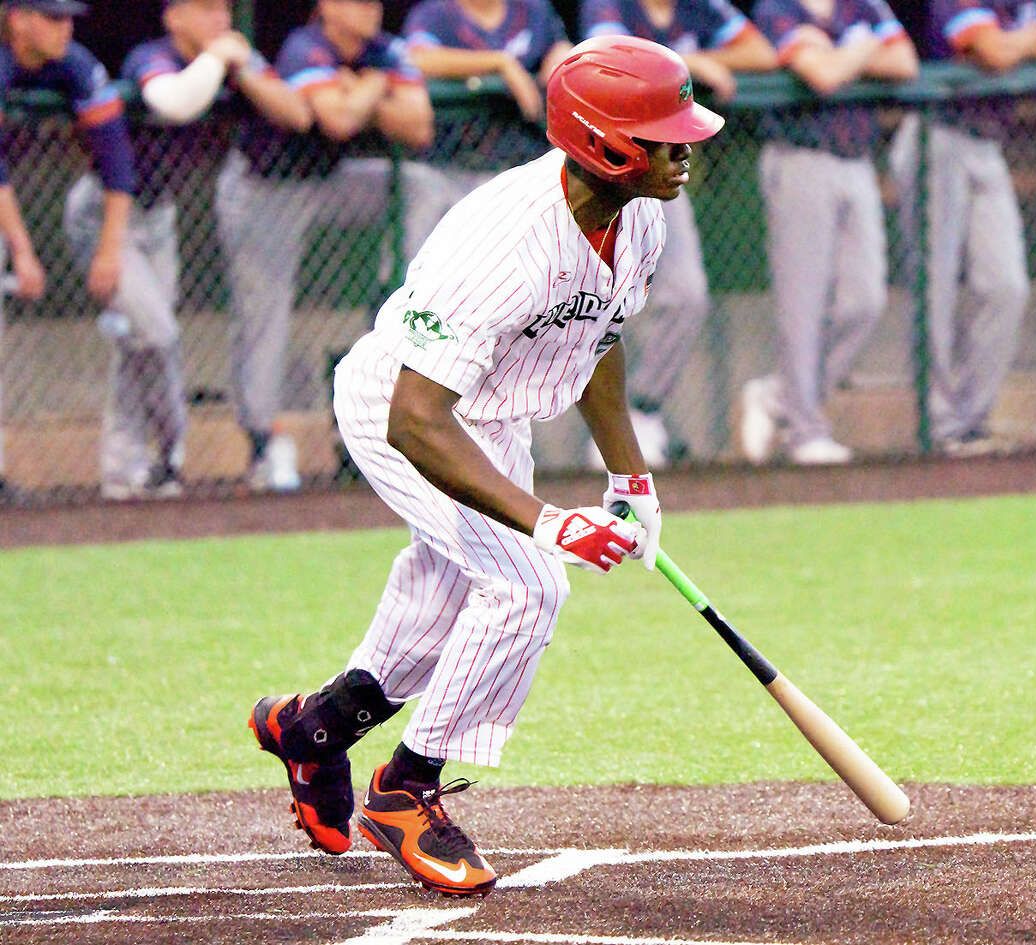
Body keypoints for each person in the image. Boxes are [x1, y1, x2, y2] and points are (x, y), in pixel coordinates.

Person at [249, 35, 722, 897]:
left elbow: (596, 338)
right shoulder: (503, 243)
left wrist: (630, 479)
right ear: (606, 144)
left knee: (443, 599)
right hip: (403, 410)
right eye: (664, 138)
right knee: (527, 585)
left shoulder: (641, 216)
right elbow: (416, 419)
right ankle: (405, 788)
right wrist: (549, 523)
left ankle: (314, 729)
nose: (684, 153)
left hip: (488, 416)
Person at [63, 0, 310, 500]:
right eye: (205, 9)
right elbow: (173, 102)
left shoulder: (231, 60)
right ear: (175, 18)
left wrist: (243, 68)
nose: (220, 20)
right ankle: (169, 453)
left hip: (159, 218)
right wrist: (219, 58)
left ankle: (127, 471)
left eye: (224, 11)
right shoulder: (152, 55)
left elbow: (296, 114)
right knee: (158, 334)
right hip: (106, 211)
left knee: (141, 342)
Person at [216, 0, 433, 492]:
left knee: (421, 186)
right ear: (328, 7)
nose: (371, 9)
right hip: (262, 188)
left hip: (326, 181)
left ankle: (401, 288)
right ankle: (262, 442)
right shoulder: (306, 46)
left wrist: (360, 93)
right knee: (264, 311)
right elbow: (337, 121)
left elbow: (419, 127)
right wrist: (375, 87)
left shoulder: (384, 49)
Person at [579, 0, 775, 467]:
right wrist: (688, 64)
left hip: (660, 173)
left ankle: (640, 411)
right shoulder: (610, 5)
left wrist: (700, 60)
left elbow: (762, 54)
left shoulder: (699, 7)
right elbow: (609, 66)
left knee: (686, 295)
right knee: (582, 304)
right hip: (599, 174)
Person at [890, 0, 1036, 456]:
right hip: (936, 134)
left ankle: (970, 420)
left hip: (987, 143)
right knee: (934, 289)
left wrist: (1016, 44)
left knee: (1006, 286)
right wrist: (1033, 38)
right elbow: (994, 54)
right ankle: (938, 424)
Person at [740, 0, 917, 465]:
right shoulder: (777, 7)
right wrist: (863, 50)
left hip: (856, 160)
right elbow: (822, 76)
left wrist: (848, 50)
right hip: (799, 157)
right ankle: (805, 430)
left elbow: (905, 62)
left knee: (866, 299)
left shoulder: (864, 6)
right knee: (803, 306)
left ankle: (779, 395)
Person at [0, 0, 133, 498]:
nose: (66, 27)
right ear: (19, 19)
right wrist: (22, 250)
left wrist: (110, 249)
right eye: (53, 17)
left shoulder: (75, 64)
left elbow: (116, 157)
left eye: (68, 17)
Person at [400, 0, 573, 261]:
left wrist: (562, 63)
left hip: (526, 163)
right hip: (451, 166)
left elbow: (560, 47)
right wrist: (500, 63)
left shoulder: (533, 9)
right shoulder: (436, 14)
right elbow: (417, 58)